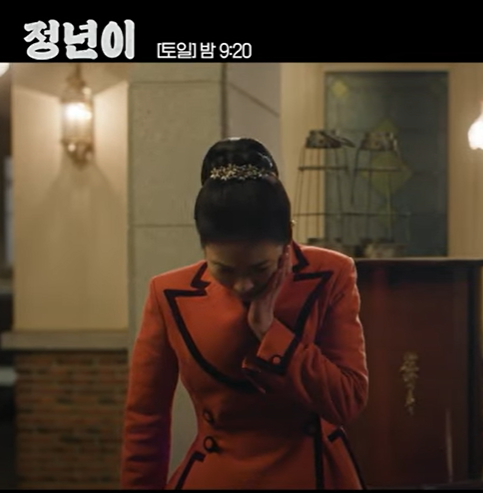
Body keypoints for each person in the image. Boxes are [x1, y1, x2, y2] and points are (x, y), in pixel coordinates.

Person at [119, 137, 369, 489]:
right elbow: (146, 419)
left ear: (288, 239)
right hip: (218, 474)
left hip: (314, 473)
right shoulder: (169, 293)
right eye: (223, 269)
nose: (242, 285)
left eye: (259, 268)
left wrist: (270, 332)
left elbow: (347, 400)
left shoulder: (331, 273)